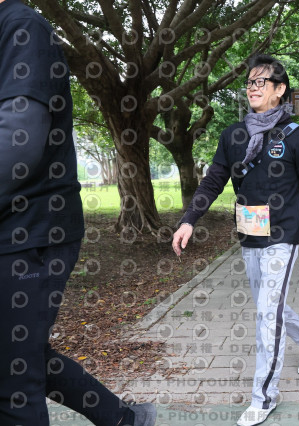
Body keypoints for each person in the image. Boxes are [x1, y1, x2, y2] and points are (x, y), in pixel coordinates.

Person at [0, 1, 156, 425]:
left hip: (30, 231)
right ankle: (124, 420)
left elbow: (17, 141)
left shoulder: (20, 27)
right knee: (22, 353)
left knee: (13, 377)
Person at [172, 54, 299, 426]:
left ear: (279, 90)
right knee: (269, 307)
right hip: (250, 233)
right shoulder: (233, 135)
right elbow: (213, 181)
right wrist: (188, 220)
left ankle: (264, 396)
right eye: (249, 82)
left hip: (283, 234)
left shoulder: (296, 136)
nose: (252, 88)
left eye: (260, 82)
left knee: (268, 314)